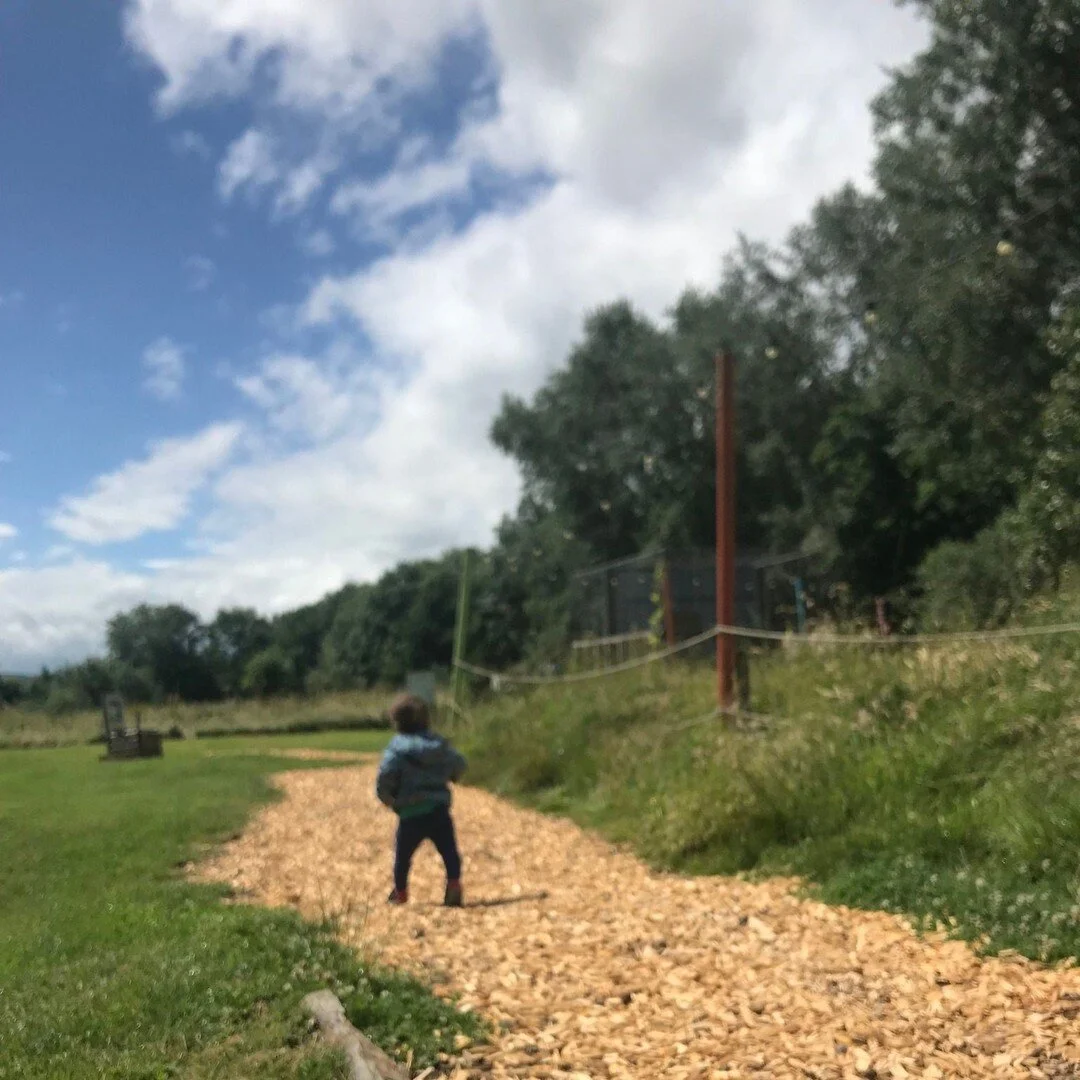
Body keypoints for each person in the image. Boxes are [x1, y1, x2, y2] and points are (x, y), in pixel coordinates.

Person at [376, 693, 467, 907]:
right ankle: (454, 884)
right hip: (438, 810)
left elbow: (385, 776)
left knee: (403, 857)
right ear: (427, 720)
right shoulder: (439, 746)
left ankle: (400, 892)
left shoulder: (396, 750)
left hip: (410, 813)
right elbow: (459, 764)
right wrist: (452, 775)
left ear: (396, 722)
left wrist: (387, 797)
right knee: (449, 852)